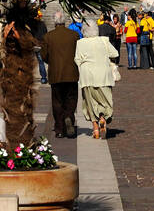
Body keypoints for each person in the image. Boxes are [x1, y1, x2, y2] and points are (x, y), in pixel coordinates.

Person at [74, 20, 118, 139]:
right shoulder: (103, 40)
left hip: (87, 76)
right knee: (105, 100)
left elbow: (77, 60)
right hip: (103, 75)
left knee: (90, 103)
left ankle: (95, 129)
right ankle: (103, 118)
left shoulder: (80, 43)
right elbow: (115, 53)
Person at [42, 10, 79, 138]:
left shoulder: (48, 36)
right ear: (65, 21)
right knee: (71, 98)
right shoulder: (74, 35)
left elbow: (44, 56)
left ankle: (59, 129)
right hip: (71, 73)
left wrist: (53, 61)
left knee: (57, 101)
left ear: (55, 21)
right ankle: (69, 116)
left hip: (56, 73)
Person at [33, 11, 48, 83]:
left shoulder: (32, 25)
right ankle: (43, 78)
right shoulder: (43, 24)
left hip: (34, 44)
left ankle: (29, 76)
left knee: (32, 62)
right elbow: (46, 34)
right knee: (41, 62)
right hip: (41, 45)